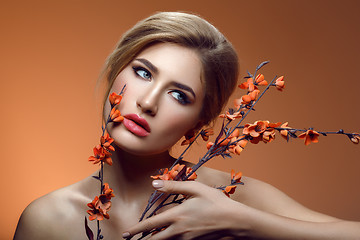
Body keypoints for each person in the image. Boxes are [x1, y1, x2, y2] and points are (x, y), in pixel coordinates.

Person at [14, 12, 360, 240]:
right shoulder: (47, 219)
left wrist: (244, 223)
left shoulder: (229, 199)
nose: (148, 102)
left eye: (179, 95)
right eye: (143, 72)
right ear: (116, 70)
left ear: (201, 121)